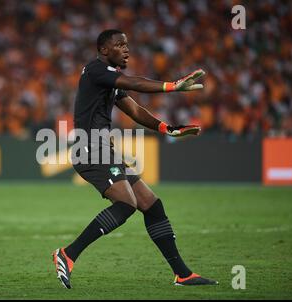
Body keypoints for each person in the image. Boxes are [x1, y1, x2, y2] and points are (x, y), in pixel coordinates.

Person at [52, 29, 218, 288]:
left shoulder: (109, 82)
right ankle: (67, 254)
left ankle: (183, 274)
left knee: (151, 204)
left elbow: (136, 111)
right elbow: (135, 82)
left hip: (104, 150)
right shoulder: (96, 70)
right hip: (89, 149)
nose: (126, 49)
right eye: (120, 45)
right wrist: (173, 86)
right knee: (127, 204)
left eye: (127, 45)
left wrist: (168, 129)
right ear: (105, 50)